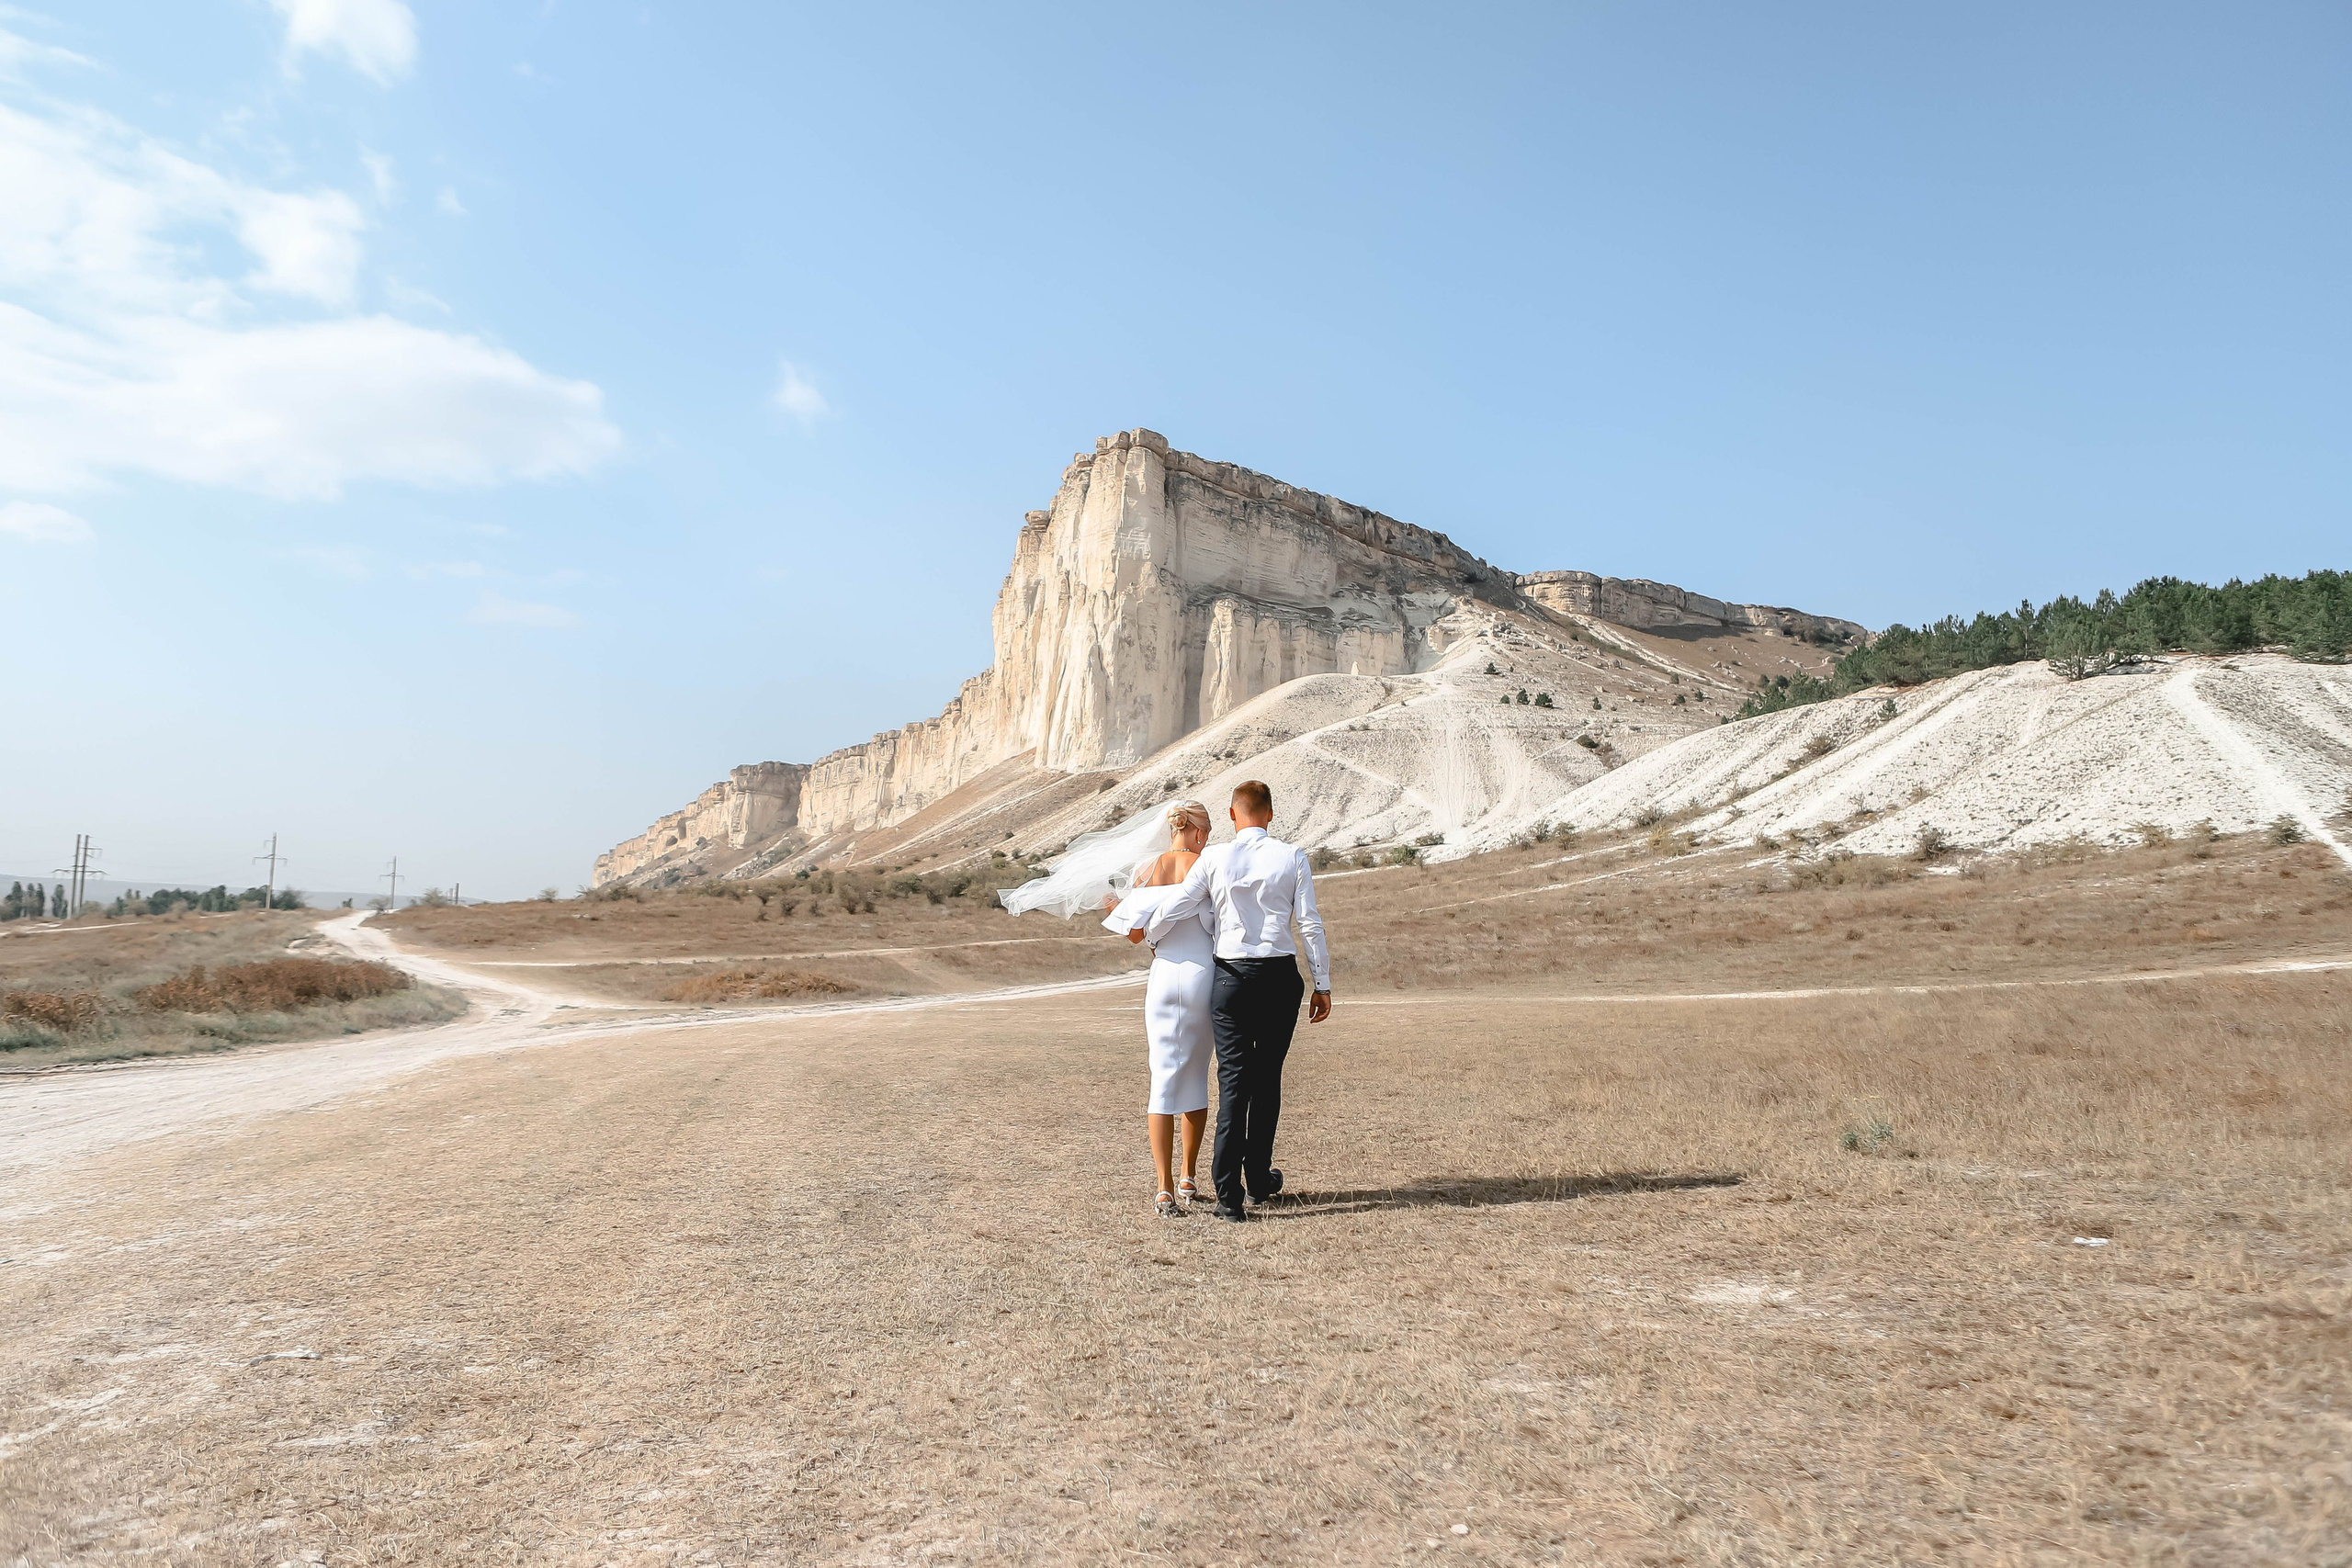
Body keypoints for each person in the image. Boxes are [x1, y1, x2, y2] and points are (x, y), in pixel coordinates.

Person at [1142, 780, 1332, 1222]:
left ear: (1232, 815)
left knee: (1232, 1083)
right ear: (1270, 815)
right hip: (1278, 976)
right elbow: (1309, 923)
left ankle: (1228, 1196)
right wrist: (1321, 982)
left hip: (1228, 979)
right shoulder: (1292, 856)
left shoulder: (1215, 856)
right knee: (1267, 1081)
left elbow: (1182, 903)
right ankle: (1259, 1181)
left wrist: (1152, 934)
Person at [1101, 801, 1216, 1216]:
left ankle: (1164, 1186)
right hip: (1204, 974)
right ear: (1199, 832)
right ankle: (1189, 1174)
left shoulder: (1147, 870)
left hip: (1164, 975)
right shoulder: (1209, 867)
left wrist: (1115, 908)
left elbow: (1134, 936)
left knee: (1162, 1075)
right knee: (1196, 1075)